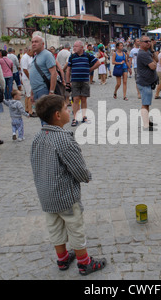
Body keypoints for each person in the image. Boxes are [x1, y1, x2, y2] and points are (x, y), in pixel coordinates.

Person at [31, 94, 106, 276]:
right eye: (66, 108)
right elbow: (77, 167)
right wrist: (86, 176)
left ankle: (62, 258)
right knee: (75, 227)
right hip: (65, 196)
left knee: (55, 226)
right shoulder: (64, 139)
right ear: (57, 115)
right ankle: (84, 263)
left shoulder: (37, 138)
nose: (68, 111)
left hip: (46, 195)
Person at [66, 40, 100, 127]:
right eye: (73, 46)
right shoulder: (72, 56)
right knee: (76, 99)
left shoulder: (88, 55)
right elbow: (68, 69)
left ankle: (84, 116)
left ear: (81, 47)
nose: (74, 48)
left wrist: (90, 69)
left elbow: (98, 62)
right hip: (75, 81)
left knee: (84, 99)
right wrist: (67, 82)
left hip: (85, 80)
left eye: (76, 46)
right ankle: (75, 118)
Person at [29, 36, 58, 125]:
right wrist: (32, 92)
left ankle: (48, 136)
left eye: (36, 42)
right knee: (42, 116)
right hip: (37, 90)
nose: (33, 44)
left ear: (42, 44)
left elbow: (53, 73)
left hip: (44, 89)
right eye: (32, 42)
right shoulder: (36, 56)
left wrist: (51, 91)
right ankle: (46, 135)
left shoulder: (47, 54)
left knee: (46, 116)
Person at [136, 36, 158, 131]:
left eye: (149, 41)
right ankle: (146, 125)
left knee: (147, 104)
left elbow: (156, 60)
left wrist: (152, 50)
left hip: (147, 82)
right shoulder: (142, 54)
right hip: (144, 83)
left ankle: (148, 121)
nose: (148, 43)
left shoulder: (147, 52)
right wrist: (154, 63)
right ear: (140, 43)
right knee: (145, 104)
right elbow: (153, 66)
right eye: (146, 41)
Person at [20, 47, 35, 116]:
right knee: (29, 94)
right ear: (29, 50)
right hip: (27, 78)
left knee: (27, 94)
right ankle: (30, 111)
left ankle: (26, 108)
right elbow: (25, 69)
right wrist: (30, 77)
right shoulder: (25, 57)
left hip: (29, 77)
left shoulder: (30, 57)